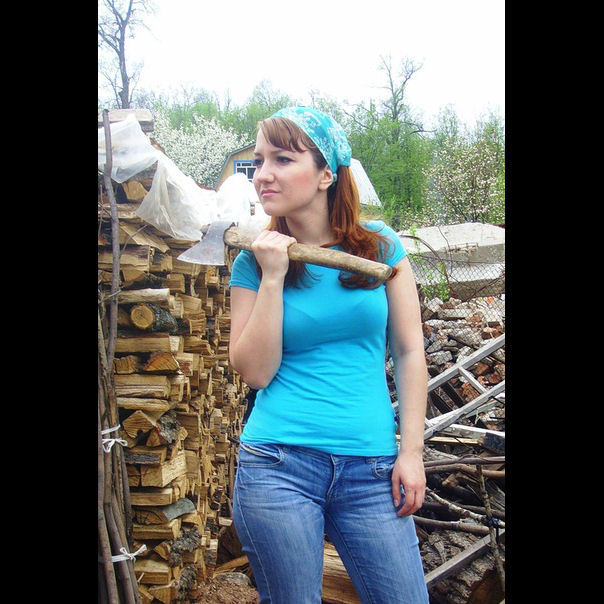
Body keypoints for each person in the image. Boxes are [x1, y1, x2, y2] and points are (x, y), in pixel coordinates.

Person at [228, 107, 429, 603]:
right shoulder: (252, 261)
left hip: (372, 470)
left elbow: (409, 352)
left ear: (325, 174)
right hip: (278, 466)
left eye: (282, 159)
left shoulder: (381, 248)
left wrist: (411, 452)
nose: (263, 173)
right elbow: (255, 373)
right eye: (260, 160)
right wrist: (273, 276)